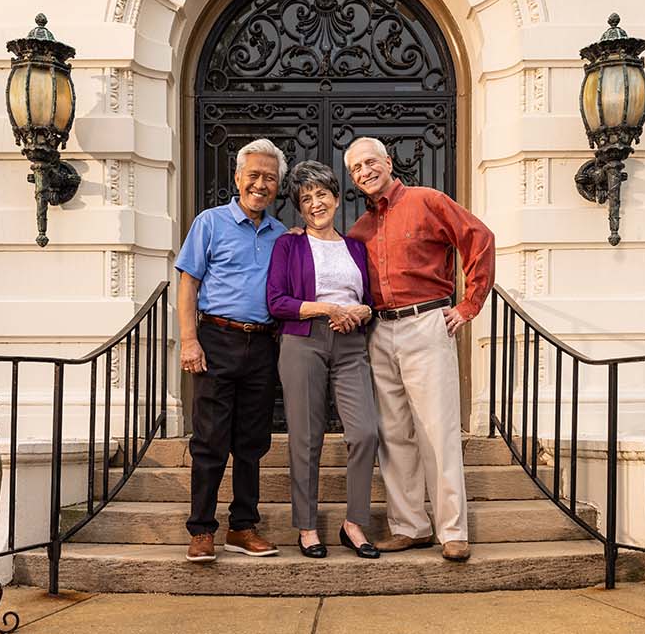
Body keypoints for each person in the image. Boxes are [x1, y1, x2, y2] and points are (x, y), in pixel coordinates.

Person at [344, 136, 495, 562]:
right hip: (380, 331)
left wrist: (469, 305)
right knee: (394, 435)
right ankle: (411, 526)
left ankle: (452, 530)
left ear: (388, 163)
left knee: (437, 430)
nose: (364, 172)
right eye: (356, 169)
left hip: (426, 322)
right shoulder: (359, 231)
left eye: (370, 162)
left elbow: (479, 238)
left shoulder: (427, 201)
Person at [175, 138, 288, 563]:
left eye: (270, 178)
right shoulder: (210, 222)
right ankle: (202, 529)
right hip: (216, 340)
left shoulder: (281, 235)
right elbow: (189, 284)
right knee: (209, 440)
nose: (261, 184)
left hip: (262, 343)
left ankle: (242, 527)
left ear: (277, 186)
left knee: (252, 440)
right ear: (238, 177)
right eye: (254, 175)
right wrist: (189, 341)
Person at [265, 161, 380, 560]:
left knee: (365, 432)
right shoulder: (289, 245)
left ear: (335, 197)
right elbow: (277, 302)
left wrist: (364, 311)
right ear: (299, 207)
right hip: (304, 342)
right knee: (306, 437)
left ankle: (354, 523)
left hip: (351, 345)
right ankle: (308, 527)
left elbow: (368, 301)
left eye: (321, 194)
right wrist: (326, 309)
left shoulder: (356, 248)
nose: (316, 204)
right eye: (306, 198)